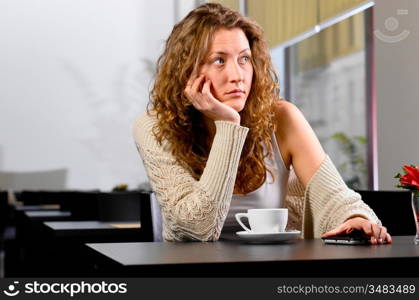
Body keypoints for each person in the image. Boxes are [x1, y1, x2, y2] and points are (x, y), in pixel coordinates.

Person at [133, 3, 392, 244]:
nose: (237, 76)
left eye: (244, 58)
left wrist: (355, 219)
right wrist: (228, 125)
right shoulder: (154, 127)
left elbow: (335, 197)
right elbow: (199, 228)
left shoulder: (282, 117)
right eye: (219, 60)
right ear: (187, 71)